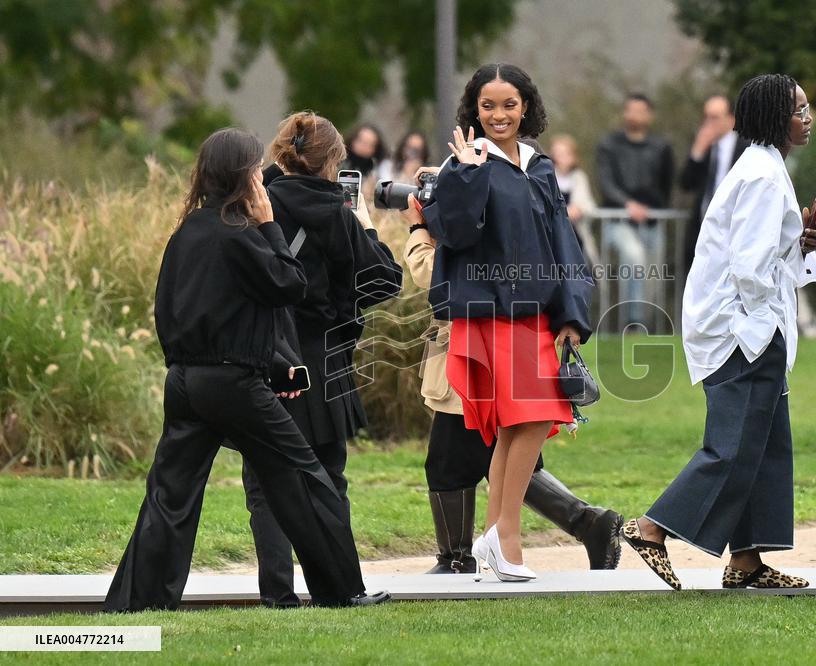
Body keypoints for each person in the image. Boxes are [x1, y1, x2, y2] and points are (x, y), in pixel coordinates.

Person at [104, 127, 389, 611]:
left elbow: (175, 309)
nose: (262, 176)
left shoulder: (187, 231)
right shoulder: (242, 233)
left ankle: (138, 603)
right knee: (306, 476)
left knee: (170, 495)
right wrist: (270, 225)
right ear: (243, 176)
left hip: (184, 381)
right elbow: (289, 284)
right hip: (233, 383)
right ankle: (341, 590)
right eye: (256, 168)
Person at [620, 74, 816, 590]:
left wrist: (799, 242)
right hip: (741, 333)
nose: (808, 116)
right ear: (777, 117)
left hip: (749, 328)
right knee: (733, 447)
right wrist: (760, 329)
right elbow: (751, 268)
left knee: (765, 445)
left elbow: (765, 254)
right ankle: (650, 528)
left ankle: (746, 562)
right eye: (799, 109)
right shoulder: (760, 175)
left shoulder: (766, 166)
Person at [420, 63, 594, 581]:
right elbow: (451, 231)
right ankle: (506, 539)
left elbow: (563, 243)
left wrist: (572, 312)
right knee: (537, 415)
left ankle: (495, 535)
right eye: (488, 105)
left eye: (509, 104)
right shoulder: (464, 167)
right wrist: (469, 172)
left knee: (523, 424)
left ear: (526, 108)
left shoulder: (540, 167)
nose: (498, 114)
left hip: (536, 314)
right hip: (491, 314)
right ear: (474, 109)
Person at [238, 111, 403, 608]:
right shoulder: (339, 213)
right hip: (324, 358)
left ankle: (277, 593)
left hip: (266, 352)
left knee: (266, 481)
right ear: (333, 159)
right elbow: (384, 281)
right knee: (328, 479)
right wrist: (367, 228)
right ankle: (342, 588)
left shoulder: (254, 203)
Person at [403, 199, 621, 572]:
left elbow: (434, 276)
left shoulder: (470, 213)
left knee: (449, 462)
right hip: (494, 348)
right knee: (506, 455)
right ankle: (589, 523)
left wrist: (417, 231)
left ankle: (456, 558)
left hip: (472, 354)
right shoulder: (509, 208)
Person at [595, 93, 674, 327]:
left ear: (649, 115)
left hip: (651, 221)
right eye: (631, 109)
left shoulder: (661, 147)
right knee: (634, 258)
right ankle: (633, 322)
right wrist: (627, 204)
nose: (635, 115)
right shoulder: (609, 145)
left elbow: (666, 183)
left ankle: (642, 326)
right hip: (619, 219)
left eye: (641, 110)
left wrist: (653, 207)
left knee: (652, 276)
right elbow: (606, 182)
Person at [679, 95, 750, 272]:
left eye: (715, 117)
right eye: (706, 117)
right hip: (704, 228)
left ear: (731, 118)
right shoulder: (704, 146)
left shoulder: (746, 147)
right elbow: (686, 184)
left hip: (733, 230)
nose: (709, 123)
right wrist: (697, 152)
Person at [549, 134, 599, 266]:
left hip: (576, 234)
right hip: (554, 236)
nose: (562, 157)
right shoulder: (548, 176)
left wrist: (580, 209)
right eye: (558, 154)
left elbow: (590, 205)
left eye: (565, 154)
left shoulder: (579, 178)